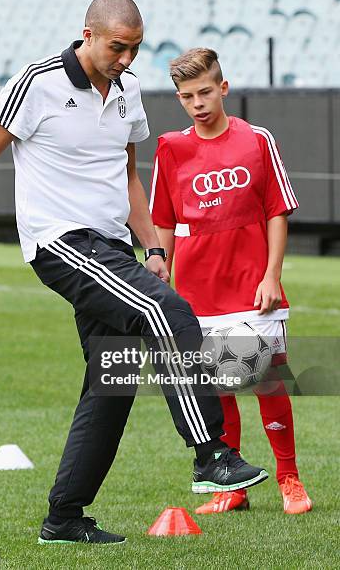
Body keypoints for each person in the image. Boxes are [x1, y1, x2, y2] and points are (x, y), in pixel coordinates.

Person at [0, 0, 268, 546]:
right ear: (89, 34)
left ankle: (64, 517)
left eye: (135, 48)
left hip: (115, 248)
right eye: (117, 46)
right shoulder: (36, 83)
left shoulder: (127, 92)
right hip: (60, 245)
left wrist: (151, 247)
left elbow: (127, 179)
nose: (126, 58)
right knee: (165, 310)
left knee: (112, 380)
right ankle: (210, 454)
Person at [150, 47, 312, 516]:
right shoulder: (171, 148)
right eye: (187, 96)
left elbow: (277, 211)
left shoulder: (258, 140)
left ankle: (289, 478)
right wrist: (160, 266)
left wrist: (271, 276)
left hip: (250, 287)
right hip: (197, 292)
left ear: (223, 89)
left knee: (266, 380)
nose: (197, 102)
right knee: (219, 388)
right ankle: (233, 487)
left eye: (204, 92)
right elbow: (162, 218)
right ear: (179, 100)